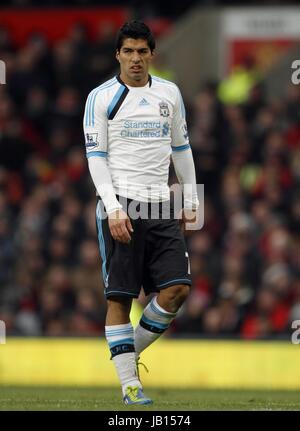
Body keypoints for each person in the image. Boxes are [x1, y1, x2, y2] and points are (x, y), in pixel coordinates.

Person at [83, 21, 199, 405]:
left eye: (142, 51)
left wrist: (191, 198)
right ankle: (130, 385)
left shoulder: (169, 93)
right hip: (123, 206)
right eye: (128, 51)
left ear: (152, 54)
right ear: (118, 54)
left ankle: (125, 356)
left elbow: (181, 147)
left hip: (163, 204)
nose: (135, 59)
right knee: (120, 298)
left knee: (178, 289)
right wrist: (114, 208)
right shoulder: (101, 97)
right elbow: (95, 157)